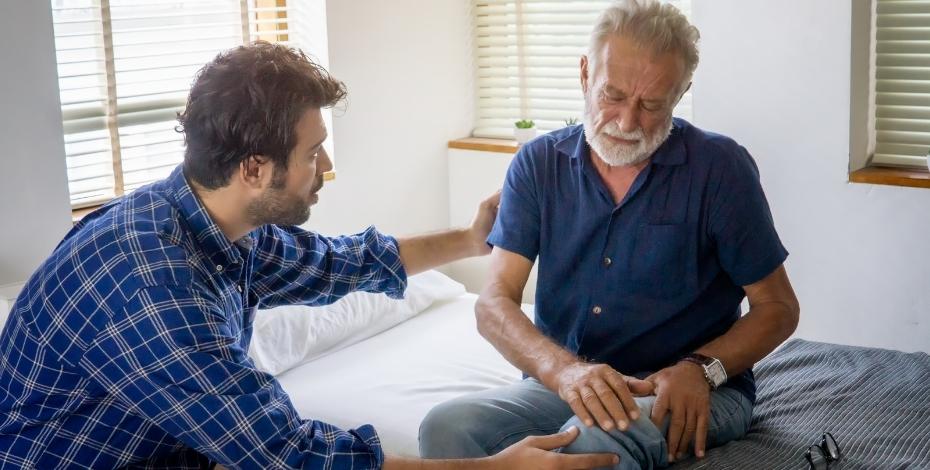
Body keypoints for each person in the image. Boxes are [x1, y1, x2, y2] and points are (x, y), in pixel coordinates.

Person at [0, 42, 619, 470]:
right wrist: (489, 468)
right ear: (254, 167)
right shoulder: (152, 286)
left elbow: (339, 262)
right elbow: (287, 455)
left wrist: (468, 239)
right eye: (313, 153)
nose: (324, 168)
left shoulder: (213, 221)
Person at [419, 1, 801, 469]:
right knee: (446, 427)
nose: (626, 122)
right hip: (566, 385)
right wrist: (564, 371)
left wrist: (701, 369)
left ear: (681, 94)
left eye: (651, 105)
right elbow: (494, 301)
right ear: (584, 74)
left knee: (595, 439)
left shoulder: (721, 169)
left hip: (686, 388)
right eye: (612, 95)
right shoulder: (537, 164)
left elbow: (778, 308)